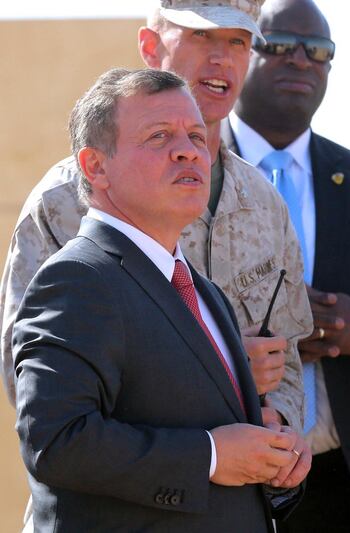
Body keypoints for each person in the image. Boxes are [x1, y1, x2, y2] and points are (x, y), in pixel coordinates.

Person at [14, 67, 306, 532]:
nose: (189, 149)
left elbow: (215, 439)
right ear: (95, 166)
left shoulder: (204, 294)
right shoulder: (77, 279)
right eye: (159, 136)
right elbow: (56, 442)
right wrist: (210, 456)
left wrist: (273, 456)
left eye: (195, 134)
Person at [0, 0, 312, 435]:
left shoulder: (265, 203)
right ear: (150, 46)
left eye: (238, 42)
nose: (220, 57)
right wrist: (220, 370)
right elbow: (32, 387)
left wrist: (277, 424)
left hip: (237, 497)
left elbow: (288, 362)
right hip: (116, 494)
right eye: (200, 36)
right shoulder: (67, 199)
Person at [221, 1, 350, 530]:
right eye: (279, 45)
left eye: (317, 50)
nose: (300, 60)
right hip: (222, 474)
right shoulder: (185, 174)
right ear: (244, 52)